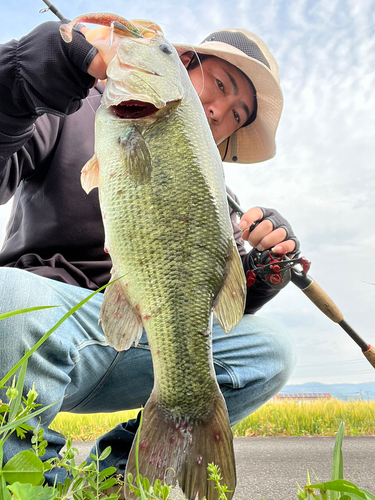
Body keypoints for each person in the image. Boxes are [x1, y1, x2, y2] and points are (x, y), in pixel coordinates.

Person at [0, 17, 298, 493]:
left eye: (238, 114)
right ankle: (32, 479)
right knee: (5, 298)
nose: (221, 111)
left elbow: (207, 300)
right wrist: (29, 74)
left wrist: (262, 272)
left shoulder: (215, 196)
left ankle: (117, 473)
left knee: (273, 350)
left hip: (144, 338)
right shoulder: (66, 108)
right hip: (43, 329)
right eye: (218, 84)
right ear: (182, 65)